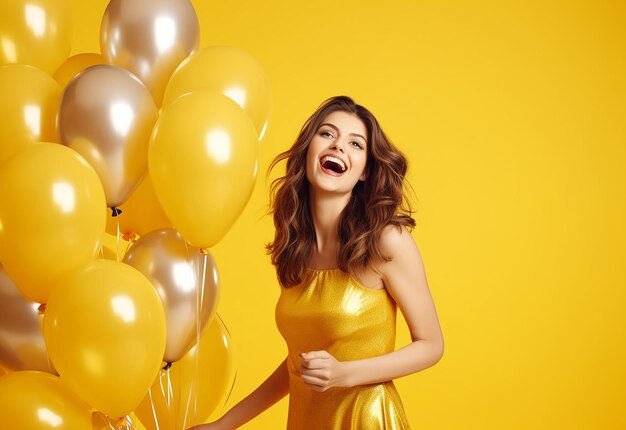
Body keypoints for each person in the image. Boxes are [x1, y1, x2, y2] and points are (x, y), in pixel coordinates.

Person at [189, 95, 444, 429]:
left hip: (364, 419)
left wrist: (343, 374)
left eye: (355, 143)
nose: (338, 146)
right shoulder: (294, 249)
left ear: (366, 170)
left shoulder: (385, 241)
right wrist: (223, 425)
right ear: (309, 150)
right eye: (327, 134)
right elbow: (297, 366)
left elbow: (431, 345)